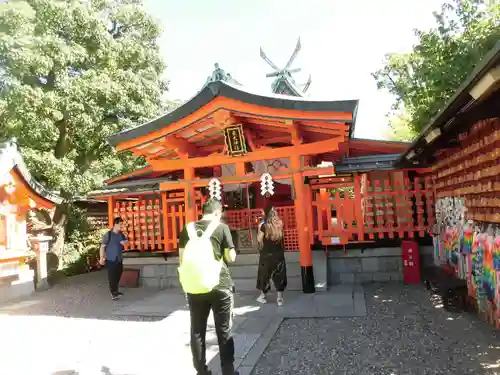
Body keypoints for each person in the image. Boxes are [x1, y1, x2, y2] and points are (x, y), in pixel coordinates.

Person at [178, 199, 239, 375]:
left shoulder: (187, 229)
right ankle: (228, 371)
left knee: (197, 330)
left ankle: (201, 371)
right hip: (220, 285)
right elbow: (231, 257)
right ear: (217, 213)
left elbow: (181, 258)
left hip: (194, 285)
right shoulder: (221, 228)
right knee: (224, 330)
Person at [256, 206, 287, 306]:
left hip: (266, 255)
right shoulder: (280, 224)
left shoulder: (263, 226)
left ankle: (263, 296)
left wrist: (259, 229)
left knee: (264, 275)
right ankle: (279, 299)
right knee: (280, 275)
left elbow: (259, 239)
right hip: (278, 254)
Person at [99, 217, 129, 300]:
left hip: (119, 258)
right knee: (112, 276)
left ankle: (115, 290)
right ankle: (113, 293)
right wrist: (102, 258)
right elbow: (102, 247)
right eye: (120, 224)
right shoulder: (108, 235)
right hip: (111, 258)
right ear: (116, 224)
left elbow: (127, 243)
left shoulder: (121, 235)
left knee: (119, 273)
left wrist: (125, 242)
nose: (121, 226)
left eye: (122, 224)